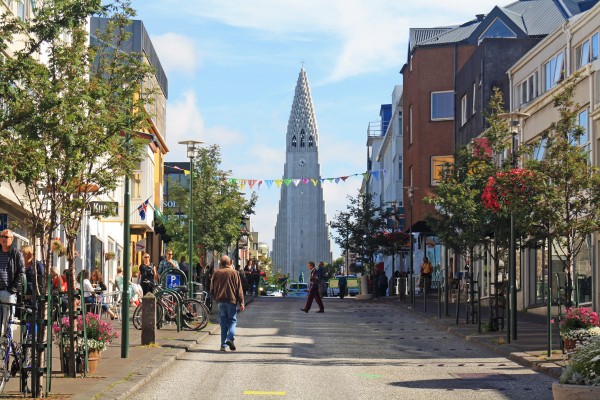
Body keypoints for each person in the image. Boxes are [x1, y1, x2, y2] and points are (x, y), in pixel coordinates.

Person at [210, 255, 245, 352]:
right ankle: (230, 338)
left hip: (220, 301)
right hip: (231, 300)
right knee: (232, 321)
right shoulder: (234, 273)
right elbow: (239, 289)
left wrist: (216, 299)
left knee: (223, 323)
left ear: (221, 263)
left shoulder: (216, 273)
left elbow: (212, 289)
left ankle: (223, 345)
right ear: (230, 263)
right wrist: (241, 302)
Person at [0, 229, 25, 336]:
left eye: (6, 237)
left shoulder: (16, 254)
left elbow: (21, 273)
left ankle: (6, 346)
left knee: (7, 321)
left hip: (8, 291)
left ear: (12, 239)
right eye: (2, 236)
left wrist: (12, 290)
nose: (3, 239)